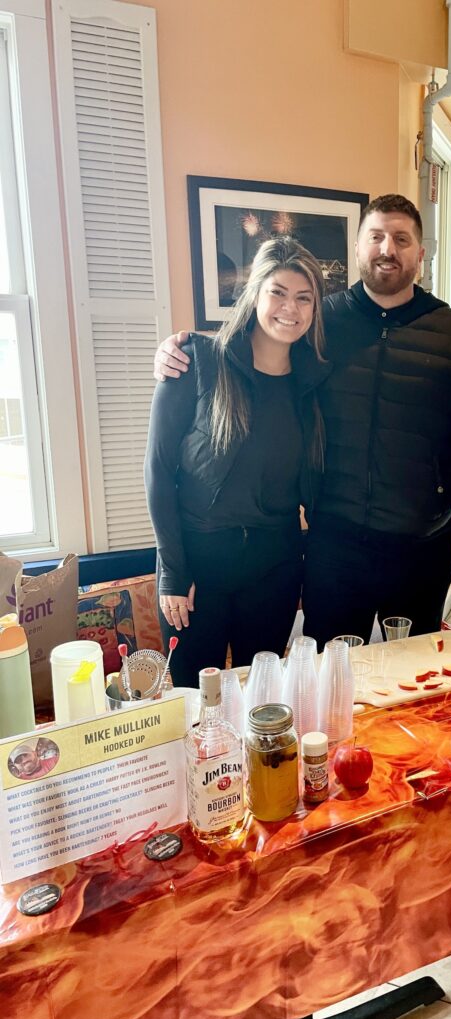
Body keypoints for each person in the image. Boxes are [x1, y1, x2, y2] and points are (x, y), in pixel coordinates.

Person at [155, 195, 451, 649]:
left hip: (422, 547)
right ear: (358, 248)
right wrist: (179, 348)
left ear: (420, 254)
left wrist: (447, 493)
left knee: (417, 674)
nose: (388, 249)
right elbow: (260, 352)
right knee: (330, 675)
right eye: (376, 237)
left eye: (402, 239)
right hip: (334, 547)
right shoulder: (322, 321)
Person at [145, 237, 330, 685]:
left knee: (261, 703)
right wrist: (172, 571)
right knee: (195, 703)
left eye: (304, 298)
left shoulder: (315, 381)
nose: (291, 308)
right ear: (254, 294)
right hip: (197, 568)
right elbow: (158, 471)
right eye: (278, 292)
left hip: (276, 569)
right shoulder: (197, 361)